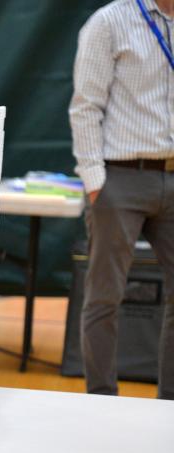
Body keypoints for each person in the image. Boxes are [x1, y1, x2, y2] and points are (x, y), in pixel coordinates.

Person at [69, 0, 174, 400]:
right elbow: (85, 107)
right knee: (104, 296)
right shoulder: (110, 21)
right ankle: (101, 400)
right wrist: (96, 181)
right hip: (121, 180)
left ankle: (169, 405)